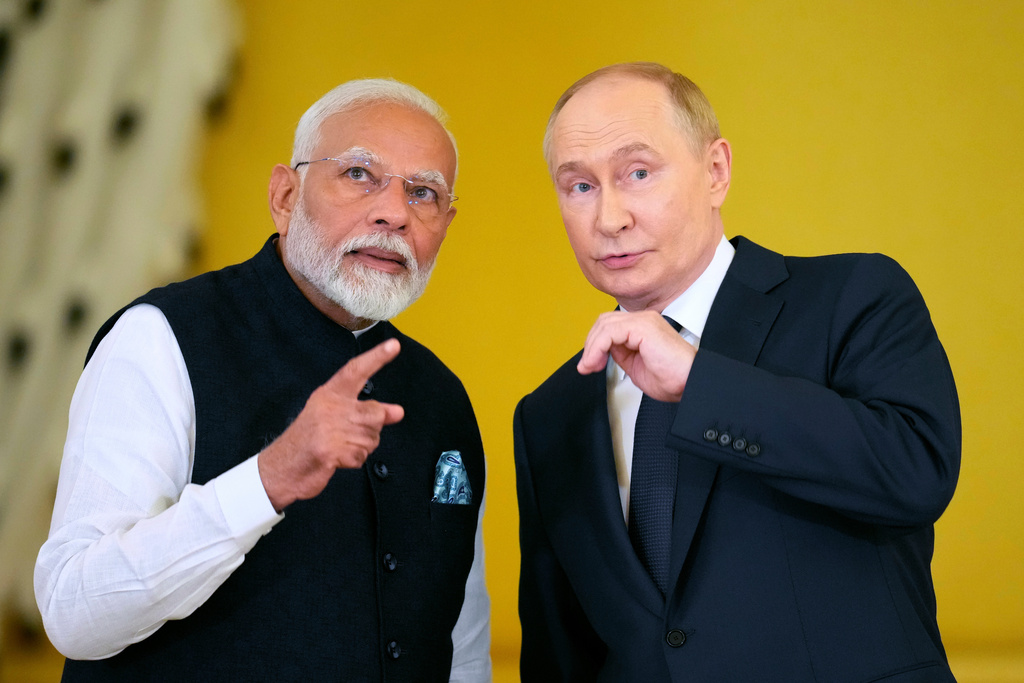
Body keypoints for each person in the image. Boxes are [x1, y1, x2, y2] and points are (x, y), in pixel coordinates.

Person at [514, 62, 959, 682]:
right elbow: (560, 652)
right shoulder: (549, 413)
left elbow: (917, 472)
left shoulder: (853, 295)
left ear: (716, 171)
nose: (608, 218)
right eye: (579, 187)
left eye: (637, 173)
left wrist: (701, 384)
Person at [35, 78, 490, 682]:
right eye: (359, 174)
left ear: (447, 225)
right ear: (285, 195)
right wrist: (268, 480)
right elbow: (74, 612)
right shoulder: (161, 339)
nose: (394, 213)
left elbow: (461, 643)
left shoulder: (442, 397)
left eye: (424, 193)